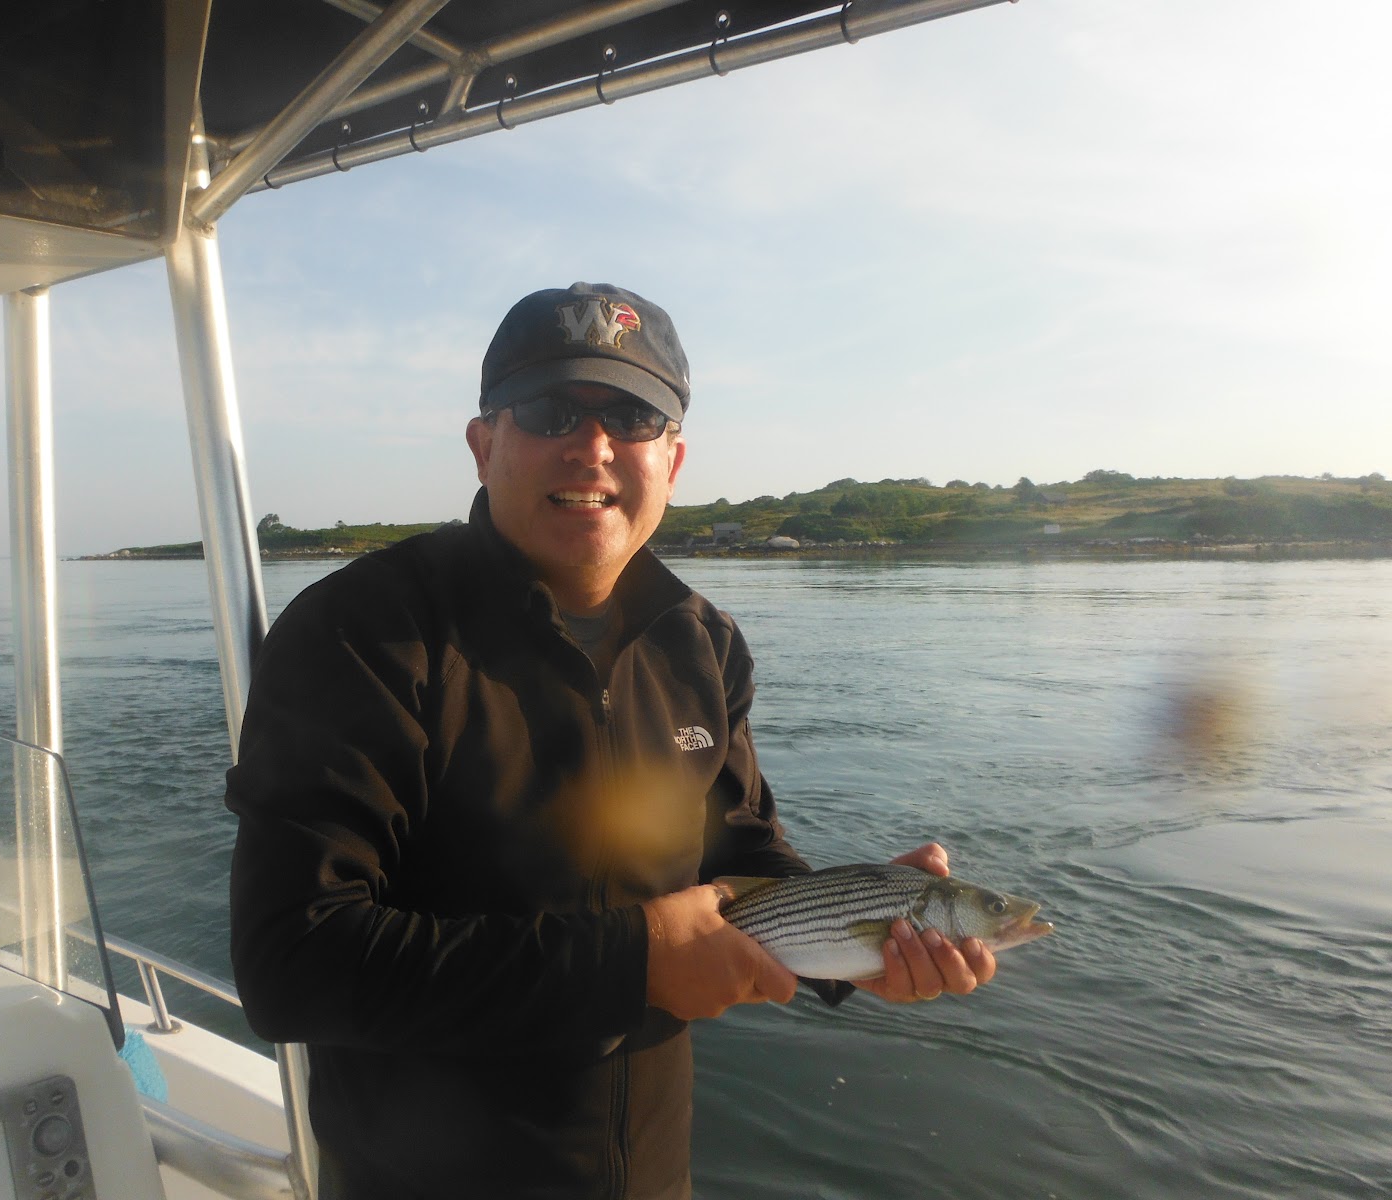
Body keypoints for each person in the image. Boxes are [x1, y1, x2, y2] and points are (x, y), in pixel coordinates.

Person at [226, 282, 997, 1200]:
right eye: (551, 410)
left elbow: (740, 852)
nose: (592, 446)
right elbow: (292, 961)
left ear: (673, 459)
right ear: (483, 444)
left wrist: (864, 936)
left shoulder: (703, 644)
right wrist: (634, 963)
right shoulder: (365, 635)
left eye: (632, 417)